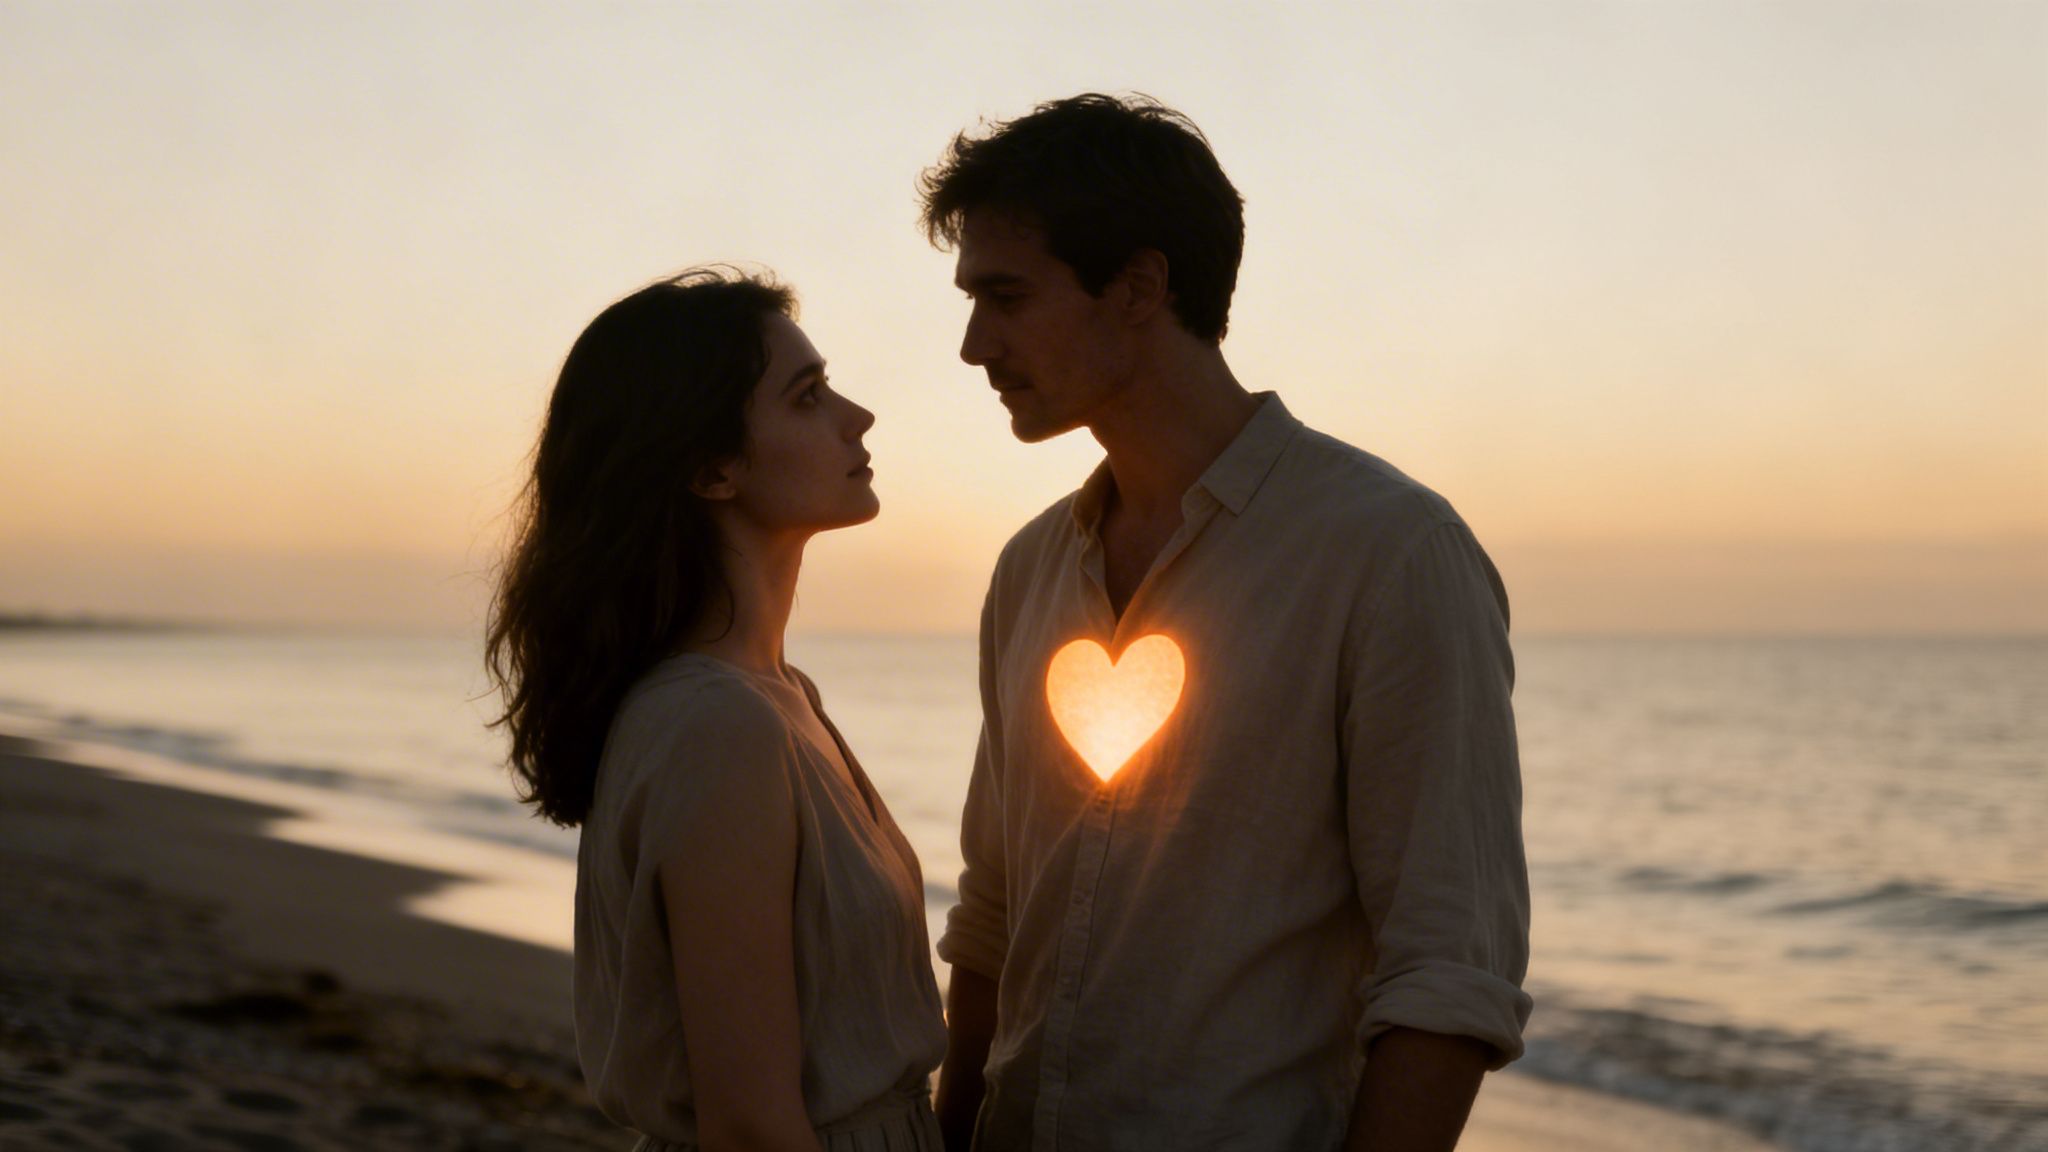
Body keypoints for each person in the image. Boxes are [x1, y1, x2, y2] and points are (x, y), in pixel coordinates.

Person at [920, 95, 1532, 1151]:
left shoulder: (1390, 554)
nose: (974, 344)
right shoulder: (1029, 569)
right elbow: (992, 916)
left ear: (1139, 287)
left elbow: (1446, 967)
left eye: (1005, 296)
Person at [485, 268, 948, 1152]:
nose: (859, 416)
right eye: (807, 397)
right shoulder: (717, 724)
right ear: (710, 470)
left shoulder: (781, 697)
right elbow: (749, 1126)